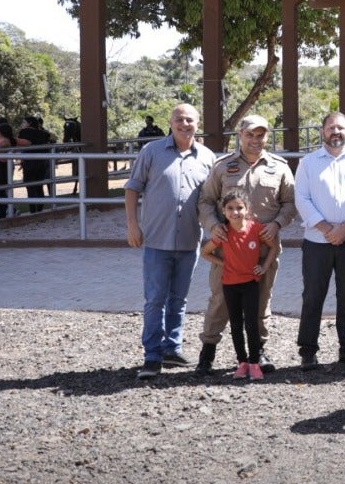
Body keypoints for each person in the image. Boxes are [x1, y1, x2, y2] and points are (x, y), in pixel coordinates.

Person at [194, 113, 297, 376]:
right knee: (219, 300)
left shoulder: (280, 167)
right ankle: (208, 352)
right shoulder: (222, 166)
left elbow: (290, 203)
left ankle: (257, 351)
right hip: (227, 248)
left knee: (262, 301)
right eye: (250, 134)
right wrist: (213, 226)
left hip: (263, 251)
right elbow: (206, 200)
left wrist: (276, 225)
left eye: (260, 135)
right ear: (240, 135)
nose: (255, 140)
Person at [124, 103, 216, 380]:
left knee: (179, 299)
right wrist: (132, 224)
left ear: (197, 124)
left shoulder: (208, 157)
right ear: (170, 122)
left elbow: (212, 200)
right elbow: (132, 188)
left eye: (189, 120)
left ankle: (172, 349)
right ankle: (152, 356)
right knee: (155, 300)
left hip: (189, 241)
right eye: (179, 119)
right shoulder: (151, 152)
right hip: (156, 240)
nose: (184, 124)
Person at [294, 112, 345, 370]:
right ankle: (308, 351)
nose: (335, 132)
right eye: (331, 128)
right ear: (322, 131)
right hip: (317, 241)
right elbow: (302, 200)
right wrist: (328, 229)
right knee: (313, 296)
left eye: (341, 128)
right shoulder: (308, 162)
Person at [199, 188, 279, 381]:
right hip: (229, 285)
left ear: (247, 209)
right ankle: (242, 363)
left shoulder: (256, 228)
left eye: (239, 208)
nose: (235, 212)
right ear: (224, 211)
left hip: (250, 283)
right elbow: (205, 252)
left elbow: (273, 247)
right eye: (230, 208)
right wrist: (224, 263)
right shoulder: (223, 233)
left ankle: (254, 362)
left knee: (251, 324)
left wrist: (264, 266)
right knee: (235, 325)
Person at [17, 115, 55, 211]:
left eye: (23, 122)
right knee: (39, 186)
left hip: (29, 162)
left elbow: (20, 145)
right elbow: (51, 139)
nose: (22, 124)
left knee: (30, 186)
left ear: (29, 124)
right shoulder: (44, 134)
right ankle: (39, 209)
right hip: (41, 162)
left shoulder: (23, 132)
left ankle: (33, 209)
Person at [0, 122, 19, 218]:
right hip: (3, 165)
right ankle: (5, 211)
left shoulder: (4, 141)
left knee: (0, 190)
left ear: (2, 132)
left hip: (1, 166)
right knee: (1, 189)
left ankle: (8, 210)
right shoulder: (8, 140)